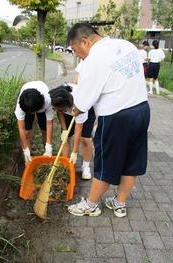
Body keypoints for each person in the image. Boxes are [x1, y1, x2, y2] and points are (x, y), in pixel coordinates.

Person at [66, 23, 150, 218]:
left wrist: (75, 108)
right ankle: (119, 203)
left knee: (105, 163)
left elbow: (84, 101)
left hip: (116, 117)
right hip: (141, 110)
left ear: (85, 41)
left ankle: (91, 204)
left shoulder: (94, 60)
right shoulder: (126, 45)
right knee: (131, 161)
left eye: (75, 49)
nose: (77, 55)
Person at [49, 84, 94, 179]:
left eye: (60, 109)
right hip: (66, 108)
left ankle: (85, 167)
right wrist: (64, 130)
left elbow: (78, 130)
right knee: (65, 138)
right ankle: (65, 166)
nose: (57, 110)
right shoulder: (57, 98)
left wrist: (74, 152)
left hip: (87, 110)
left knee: (85, 139)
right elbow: (60, 113)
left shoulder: (80, 102)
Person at [14, 81, 54, 164]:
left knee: (45, 130)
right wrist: (25, 150)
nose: (33, 114)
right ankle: (28, 159)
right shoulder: (21, 106)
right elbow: (21, 128)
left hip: (40, 102)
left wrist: (49, 145)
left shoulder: (48, 101)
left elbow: (49, 123)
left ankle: (47, 152)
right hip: (29, 104)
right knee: (27, 132)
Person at [73, 61, 97, 179]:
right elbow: (76, 80)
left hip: (91, 105)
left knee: (86, 138)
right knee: (70, 136)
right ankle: (69, 163)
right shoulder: (83, 63)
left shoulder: (100, 63)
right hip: (78, 102)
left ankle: (86, 166)